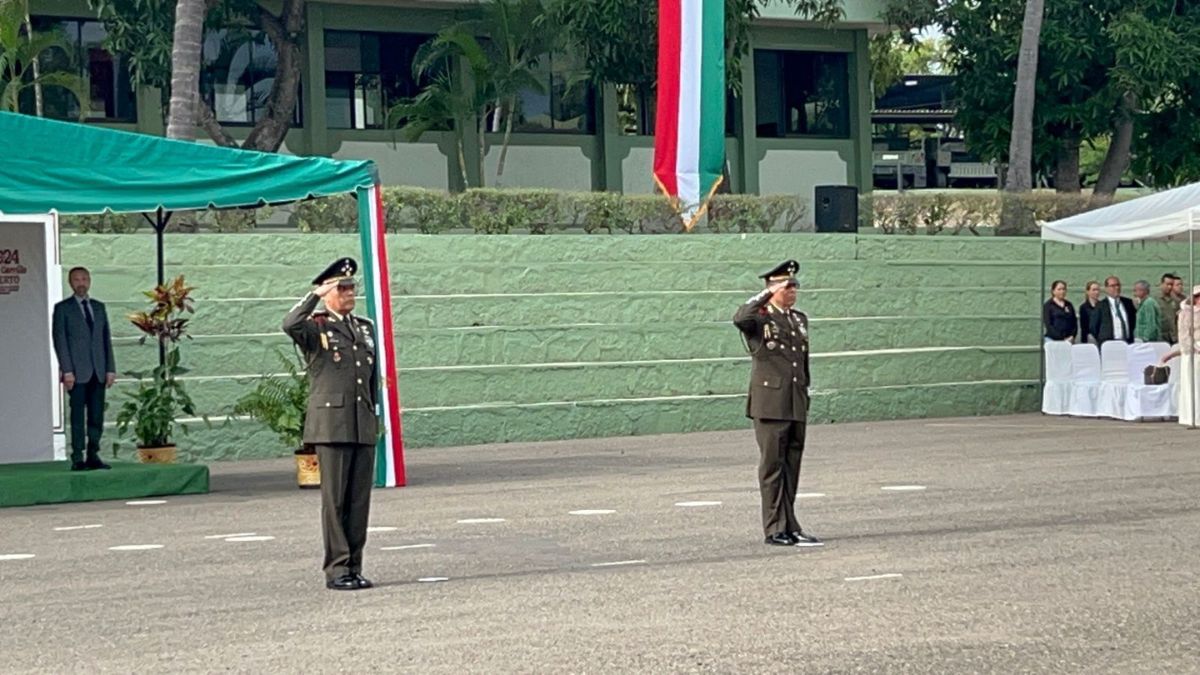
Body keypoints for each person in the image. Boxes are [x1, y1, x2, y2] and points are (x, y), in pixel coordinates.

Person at [283, 257, 380, 591]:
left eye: (352, 287)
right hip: (332, 424)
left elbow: (369, 378)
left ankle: (354, 565)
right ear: (327, 292)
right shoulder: (316, 326)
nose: (350, 292)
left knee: (358, 500)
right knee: (335, 500)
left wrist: (374, 414)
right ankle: (337, 570)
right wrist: (313, 296)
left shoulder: (364, 327)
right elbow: (290, 324)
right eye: (342, 287)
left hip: (361, 422)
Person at [732, 259, 820, 547]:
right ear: (772, 289)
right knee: (772, 467)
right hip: (770, 403)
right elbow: (739, 318)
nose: (793, 291)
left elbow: (801, 363)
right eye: (786, 286)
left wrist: (804, 394)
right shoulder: (760, 318)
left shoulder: (798, 319)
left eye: (794, 286)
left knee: (791, 466)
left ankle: (791, 524)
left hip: (794, 401)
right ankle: (774, 528)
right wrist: (766, 294)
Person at [51, 266, 115, 472]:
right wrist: (66, 370)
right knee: (78, 416)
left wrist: (110, 369)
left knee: (96, 415)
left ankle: (93, 453)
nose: (81, 283)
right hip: (77, 372)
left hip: (98, 369)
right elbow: (60, 340)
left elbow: (106, 339)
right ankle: (77, 457)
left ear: (90, 281)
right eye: (77, 279)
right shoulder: (63, 309)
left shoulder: (98, 307)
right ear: (70, 283)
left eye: (85, 279)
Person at [1159, 285, 1200, 426]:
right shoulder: (1186, 313)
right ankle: (1193, 416)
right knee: (1193, 383)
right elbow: (1184, 335)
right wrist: (1193, 347)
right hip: (1193, 352)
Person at [1091, 276, 1136, 345]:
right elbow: (1094, 327)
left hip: (1127, 342)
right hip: (1109, 343)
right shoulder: (1100, 306)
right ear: (1106, 288)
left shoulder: (1128, 303)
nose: (1117, 288)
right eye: (1113, 286)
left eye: (1118, 285)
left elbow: (1133, 322)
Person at [1155, 274, 1181, 344]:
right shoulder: (1154, 300)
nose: (1169, 287)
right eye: (1167, 284)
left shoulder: (1176, 301)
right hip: (1160, 338)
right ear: (1162, 284)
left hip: (1173, 337)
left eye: (1171, 285)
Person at [1078, 281, 1102, 345]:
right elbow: (1084, 326)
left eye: (1098, 290)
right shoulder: (1084, 307)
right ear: (1088, 292)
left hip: (1101, 337)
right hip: (1089, 338)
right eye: (1094, 290)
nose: (1096, 292)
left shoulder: (1102, 306)